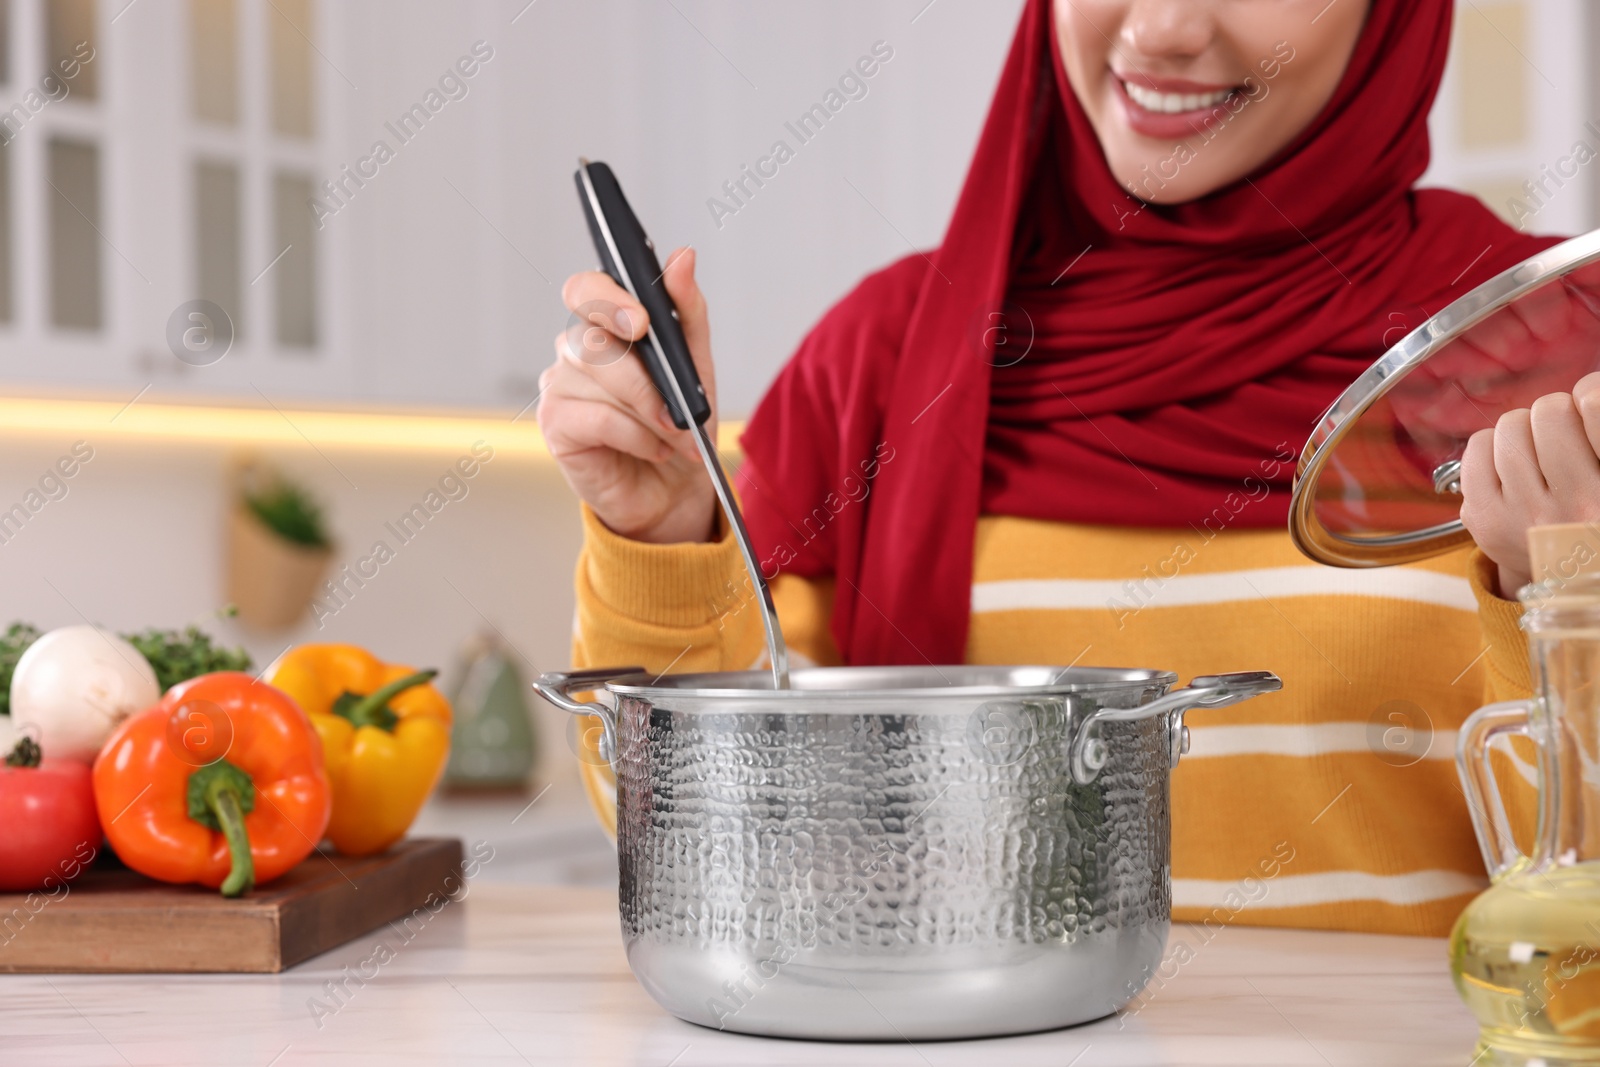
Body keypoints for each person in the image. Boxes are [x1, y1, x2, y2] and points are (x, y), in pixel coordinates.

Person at [538, 0, 1590, 937]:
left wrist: (1572, 600)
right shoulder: (879, 363)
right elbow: (697, 845)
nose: (1163, 28)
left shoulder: (1551, 354)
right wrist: (667, 536)